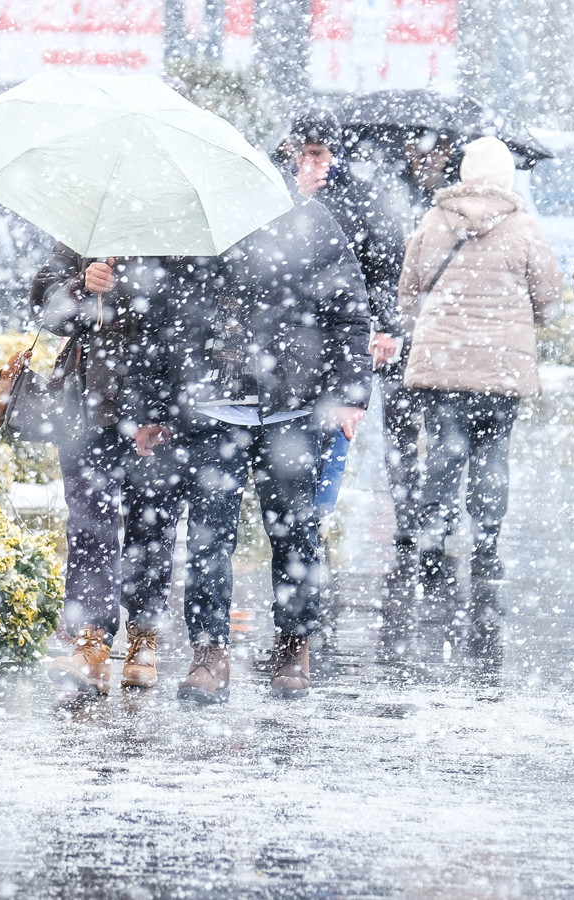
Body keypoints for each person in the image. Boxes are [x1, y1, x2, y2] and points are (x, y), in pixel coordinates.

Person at [122, 188, 371, 705]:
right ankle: (209, 651)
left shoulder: (308, 220)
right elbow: (159, 318)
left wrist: (349, 395)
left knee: (296, 533)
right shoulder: (191, 223)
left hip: (293, 410)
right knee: (210, 537)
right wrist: (150, 407)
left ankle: (294, 643)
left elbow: (348, 313)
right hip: (211, 410)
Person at [397, 136, 562, 616]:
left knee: (445, 452)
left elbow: (409, 293)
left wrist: (431, 325)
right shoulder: (522, 225)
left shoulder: (432, 220)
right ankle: (486, 548)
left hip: (442, 363)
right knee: (492, 455)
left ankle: (433, 543)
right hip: (500, 367)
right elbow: (549, 297)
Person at [280, 110, 414, 580]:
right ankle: (298, 530)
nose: (307, 163)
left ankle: (315, 524)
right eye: (300, 153)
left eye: (317, 153)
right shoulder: (273, 193)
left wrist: (383, 326)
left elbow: (386, 265)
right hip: (283, 349)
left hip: (338, 340)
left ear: (335, 155)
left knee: (334, 435)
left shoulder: (360, 200)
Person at [31, 248, 168, 696]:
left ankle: (144, 635)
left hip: (157, 404)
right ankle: (91, 639)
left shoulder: (176, 233)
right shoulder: (87, 226)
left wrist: (166, 406)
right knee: (89, 525)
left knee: (153, 521)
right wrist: (79, 287)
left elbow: (189, 316)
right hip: (87, 406)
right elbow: (45, 308)